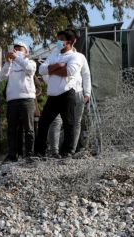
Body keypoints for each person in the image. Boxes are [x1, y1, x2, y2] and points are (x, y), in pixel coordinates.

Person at [35, 29, 87, 157]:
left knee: (69, 123)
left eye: (61, 39)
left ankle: (67, 151)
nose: (58, 42)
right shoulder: (54, 54)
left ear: (70, 42)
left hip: (67, 93)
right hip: (52, 95)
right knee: (43, 123)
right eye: (57, 39)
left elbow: (69, 71)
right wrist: (58, 64)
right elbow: (41, 69)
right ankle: (39, 152)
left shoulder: (76, 56)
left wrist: (51, 69)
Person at [46, 44, 92, 157]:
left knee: (75, 121)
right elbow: (46, 73)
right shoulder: (54, 56)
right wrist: (53, 86)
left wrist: (87, 93)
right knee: (56, 121)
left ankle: (70, 150)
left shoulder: (80, 56)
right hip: (58, 94)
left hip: (76, 93)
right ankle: (54, 151)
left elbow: (86, 74)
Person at [0, 41, 37, 162]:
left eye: (20, 49)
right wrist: (7, 62)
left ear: (26, 52)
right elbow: (2, 77)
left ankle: (30, 154)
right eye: (14, 49)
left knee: (29, 129)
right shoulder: (11, 64)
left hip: (27, 99)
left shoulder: (30, 62)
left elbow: (30, 70)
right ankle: (12, 154)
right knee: (12, 129)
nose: (16, 51)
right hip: (12, 100)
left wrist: (17, 58)